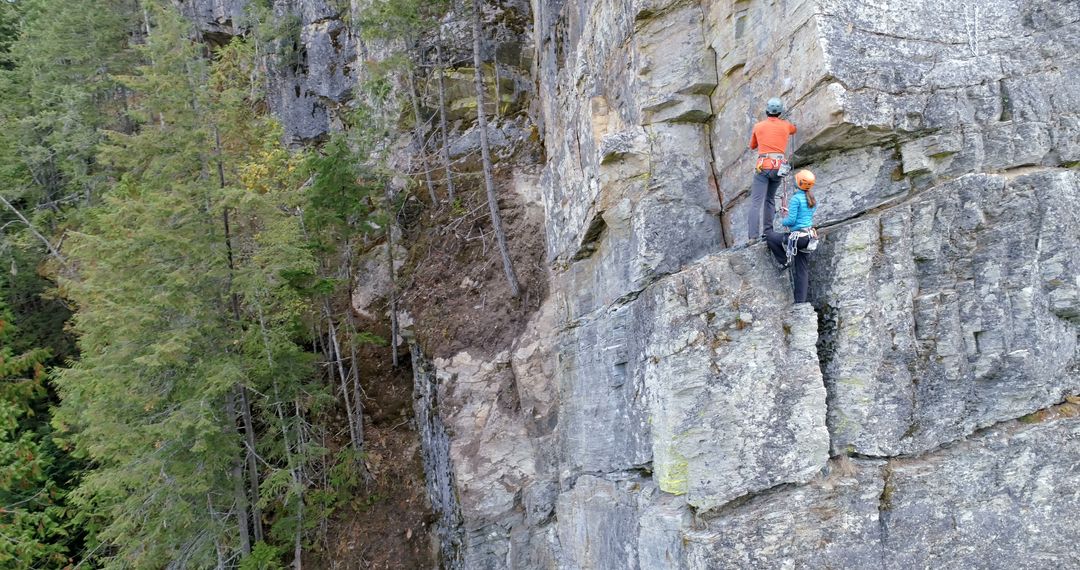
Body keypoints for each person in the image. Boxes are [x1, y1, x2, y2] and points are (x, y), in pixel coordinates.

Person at [747, 97, 797, 243]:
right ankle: (768, 231)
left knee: (756, 202)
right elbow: (794, 129)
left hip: (763, 166)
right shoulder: (786, 126)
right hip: (778, 168)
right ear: (780, 112)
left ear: (766, 111)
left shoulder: (758, 126)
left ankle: (752, 236)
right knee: (770, 199)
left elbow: (752, 146)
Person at [766, 169, 818, 304]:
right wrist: (791, 213)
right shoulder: (812, 199)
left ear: (799, 183)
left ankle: (784, 261)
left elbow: (791, 221)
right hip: (808, 237)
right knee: (802, 269)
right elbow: (804, 216)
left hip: (798, 238)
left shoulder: (796, 198)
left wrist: (783, 219)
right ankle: (800, 302)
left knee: (770, 236)